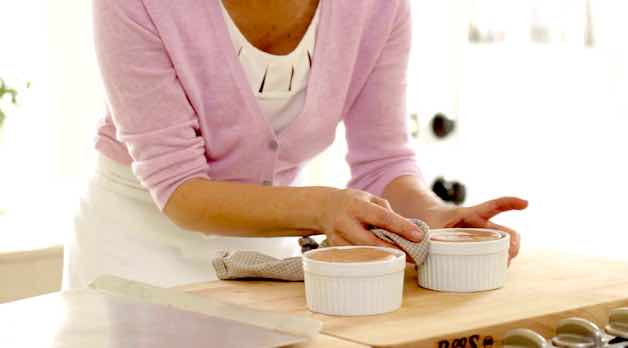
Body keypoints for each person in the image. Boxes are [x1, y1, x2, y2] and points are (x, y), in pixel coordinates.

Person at [63, 0, 527, 289]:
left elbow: (384, 161)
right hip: (132, 249)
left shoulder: (378, 7)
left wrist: (432, 216)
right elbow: (181, 190)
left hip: (261, 257)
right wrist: (323, 209)